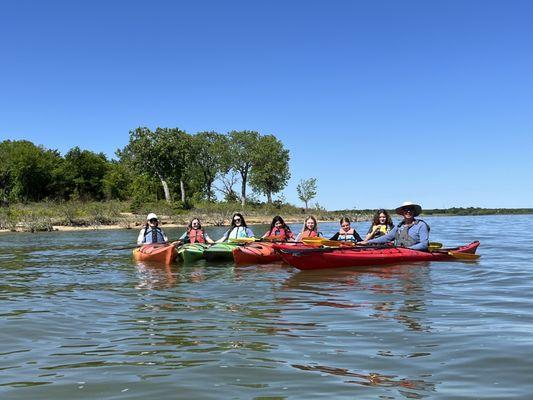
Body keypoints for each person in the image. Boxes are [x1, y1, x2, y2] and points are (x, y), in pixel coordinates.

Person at [360, 202, 429, 251]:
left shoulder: (421, 225)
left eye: (410, 209)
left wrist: (408, 249)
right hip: (400, 251)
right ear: (402, 213)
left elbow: (424, 244)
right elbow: (387, 237)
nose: (408, 211)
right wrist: (368, 242)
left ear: (414, 212)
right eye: (405, 210)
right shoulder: (399, 226)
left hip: (413, 253)